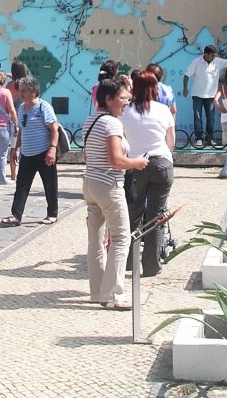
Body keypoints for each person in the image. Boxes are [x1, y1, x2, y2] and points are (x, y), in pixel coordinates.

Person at [82, 79, 148, 309]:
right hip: (108, 185)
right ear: (108, 99)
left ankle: (98, 292)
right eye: (122, 99)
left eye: (128, 100)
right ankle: (113, 295)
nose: (126, 104)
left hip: (90, 183)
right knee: (121, 238)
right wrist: (137, 163)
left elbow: (89, 155)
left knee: (96, 241)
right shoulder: (112, 124)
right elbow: (116, 160)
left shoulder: (91, 120)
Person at [120, 70, 175, 277]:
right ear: (154, 88)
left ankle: (128, 261)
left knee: (133, 215)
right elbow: (171, 141)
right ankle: (151, 266)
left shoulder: (126, 111)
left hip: (134, 165)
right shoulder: (163, 110)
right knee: (156, 217)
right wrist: (162, 157)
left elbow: (121, 138)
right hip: (161, 163)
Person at [2, 76, 59, 225]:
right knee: (21, 186)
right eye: (20, 90)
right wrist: (16, 148)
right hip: (27, 154)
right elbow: (21, 129)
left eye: (24, 91)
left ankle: (52, 214)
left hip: (44, 153)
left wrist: (52, 150)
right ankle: (16, 215)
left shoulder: (43, 107)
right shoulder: (21, 108)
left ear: (33, 91)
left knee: (50, 185)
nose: (20, 94)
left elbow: (54, 130)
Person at [183, 46, 227, 146]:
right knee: (198, 117)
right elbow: (187, 75)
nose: (213, 57)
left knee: (210, 118)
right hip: (197, 95)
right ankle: (199, 138)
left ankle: (209, 138)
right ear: (206, 54)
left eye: (214, 55)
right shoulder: (196, 62)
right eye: (212, 55)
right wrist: (185, 88)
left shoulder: (217, 61)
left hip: (211, 96)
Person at [5, 61, 27, 181]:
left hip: (12, 121)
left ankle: (13, 175)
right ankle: (23, 174)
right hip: (25, 120)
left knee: (13, 149)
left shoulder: (9, 86)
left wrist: (10, 76)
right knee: (23, 148)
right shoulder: (26, 86)